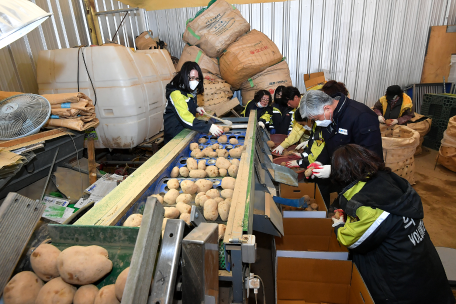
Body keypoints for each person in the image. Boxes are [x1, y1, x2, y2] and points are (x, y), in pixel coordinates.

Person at [330, 144, 454, 304]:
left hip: (401, 282)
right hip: (424, 266)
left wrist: (338, 225)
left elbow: (350, 239)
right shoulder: (387, 181)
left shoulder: (369, 208)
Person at [297, 89, 383, 205]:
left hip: (362, 182)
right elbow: (329, 144)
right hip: (343, 178)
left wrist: (334, 170)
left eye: (317, 119)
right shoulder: (328, 117)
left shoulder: (362, 117)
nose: (317, 123)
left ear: (327, 108)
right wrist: (320, 162)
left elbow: (370, 159)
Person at [287, 81, 351, 170]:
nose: (316, 121)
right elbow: (323, 148)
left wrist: (332, 170)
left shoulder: (350, 118)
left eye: (316, 118)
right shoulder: (323, 121)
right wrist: (304, 155)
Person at [164, 61, 223, 144]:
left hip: (186, 130)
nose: (194, 81)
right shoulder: (175, 94)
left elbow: (187, 102)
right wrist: (208, 127)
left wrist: (196, 108)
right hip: (175, 135)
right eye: (191, 78)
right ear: (184, 76)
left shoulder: (190, 88)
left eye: (197, 78)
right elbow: (185, 117)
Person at [272, 87, 310, 153]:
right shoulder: (298, 106)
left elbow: (297, 132)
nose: (288, 105)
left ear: (296, 97)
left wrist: (283, 145)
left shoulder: (304, 108)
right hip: (305, 140)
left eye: (289, 103)